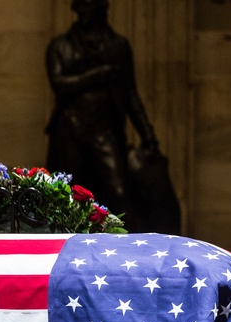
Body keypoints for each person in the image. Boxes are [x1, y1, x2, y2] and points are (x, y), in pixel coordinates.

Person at [45, 0, 173, 233]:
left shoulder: (118, 46)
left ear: (101, 7)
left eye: (87, 5)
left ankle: (133, 251)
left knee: (121, 193)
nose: (81, 10)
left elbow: (131, 94)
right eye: (78, 6)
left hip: (104, 130)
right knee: (65, 197)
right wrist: (99, 74)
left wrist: (148, 136)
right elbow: (59, 83)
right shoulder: (60, 46)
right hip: (70, 129)